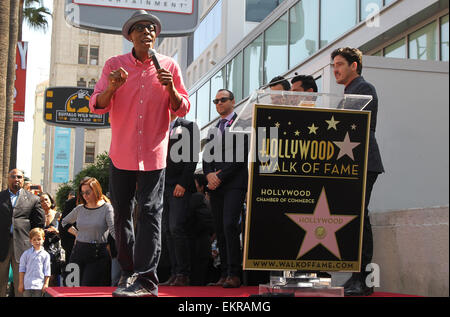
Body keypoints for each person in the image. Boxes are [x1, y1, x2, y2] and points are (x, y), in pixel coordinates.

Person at [89, 10, 190, 297]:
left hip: (154, 153)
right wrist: (112, 87)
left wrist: (170, 87)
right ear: (130, 35)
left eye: (152, 28)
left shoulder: (169, 65)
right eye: (141, 28)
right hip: (121, 152)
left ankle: (147, 281)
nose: (147, 32)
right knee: (121, 215)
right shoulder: (114, 64)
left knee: (149, 212)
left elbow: (182, 108)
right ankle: (127, 273)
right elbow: (97, 104)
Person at [331, 47, 384, 296]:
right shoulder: (347, 92)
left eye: (340, 64)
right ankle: (356, 277)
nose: (335, 70)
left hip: (363, 162)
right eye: (333, 65)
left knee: (359, 219)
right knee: (354, 220)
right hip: (350, 163)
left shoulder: (364, 89)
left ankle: (363, 280)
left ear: (355, 65)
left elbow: (356, 127)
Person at [203, 89, 249, 288]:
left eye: (223, 100)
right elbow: (206, 157)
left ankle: (234, 273)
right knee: (220, 229)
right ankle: (223, 274)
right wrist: (208, 175)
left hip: (234, 184)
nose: (219, 103)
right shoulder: (214, 128)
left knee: (230, 225)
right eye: (216, 101)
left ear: (233, 101)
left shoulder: (243, 124)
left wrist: (219, 176)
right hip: (216, 186)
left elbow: (241, 156)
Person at [160, 113, 199, 286]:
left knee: (176, 227)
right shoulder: (157, 124)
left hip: (179, 185)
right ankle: (174, 273)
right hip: (161, 185)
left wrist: (183, 183)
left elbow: (192, 157)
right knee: (167, 230)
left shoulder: (189, 125)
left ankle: (184, 273)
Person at [62, 177, 115, 286]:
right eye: (82, 193)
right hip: (78, 252)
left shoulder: (107, 208)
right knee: (70, 286)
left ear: (96, 190)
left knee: (87, 287)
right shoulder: (80, 208)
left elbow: (114, 231)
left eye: (88, 192)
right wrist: (77, 233)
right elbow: (64, 222)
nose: (85, 196)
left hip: (97, 254)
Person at [0, 169, 45, 297]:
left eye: (19, 177)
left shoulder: (33, 199)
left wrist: (35, 244)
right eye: (13, 177)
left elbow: (39, 223)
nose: (16, 179)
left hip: (23, 247)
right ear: (8, 179)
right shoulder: (0, 197)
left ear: (23, 179)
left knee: (22, 285)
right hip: (2, 245)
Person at [18, 228, 51, 297]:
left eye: (39, 239)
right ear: (31, 241)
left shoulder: (46, 255)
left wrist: (46, 284)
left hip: (39, 285)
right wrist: (21, 283)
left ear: (43, 239)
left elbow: (47, 271)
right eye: (34, 240)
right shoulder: (26, 254)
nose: (37, 242)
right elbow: (22, 269)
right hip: (27, 285)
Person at [39, 192, 63, 286]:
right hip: (41, 248)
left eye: (46, 199)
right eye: (41, 201)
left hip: (55, 250)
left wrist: (56, 231)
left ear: (51, 200)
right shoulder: (38, 215)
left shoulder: (58, 215)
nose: (44, 202)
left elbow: (65, 233)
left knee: (53, 277)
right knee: (41, 276)